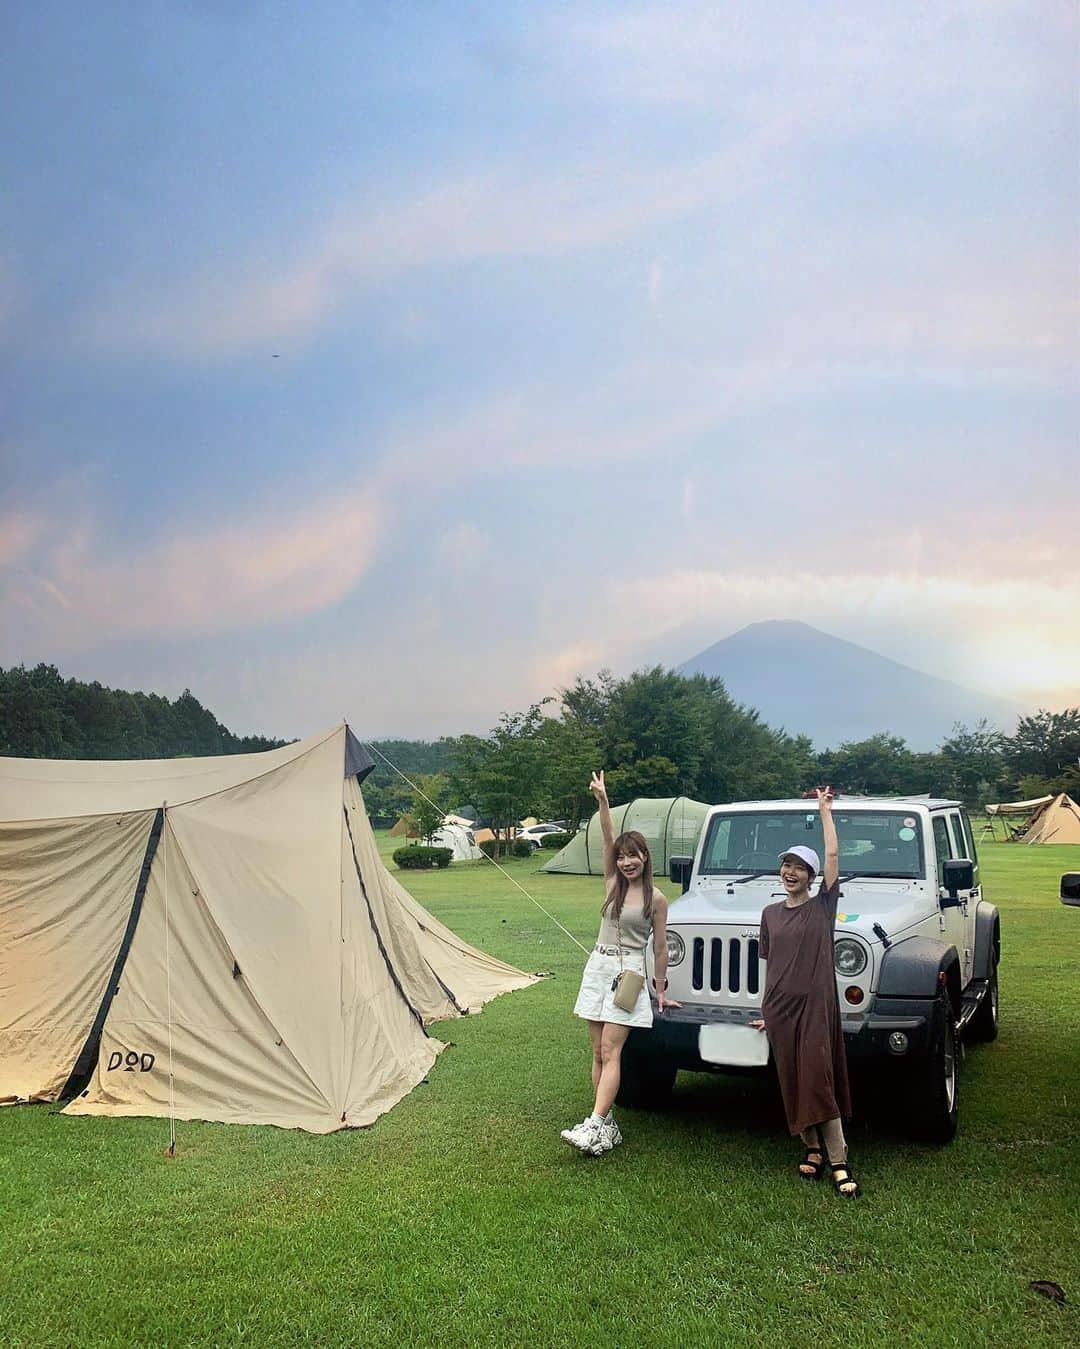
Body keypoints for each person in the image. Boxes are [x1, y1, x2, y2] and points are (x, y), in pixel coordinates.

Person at [561, 770, 679, 1155]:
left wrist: (660, 990)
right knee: (596, 1051)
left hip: (629, 975)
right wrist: (603, 801)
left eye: (635, 855)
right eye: (624, 857)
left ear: (647, 858)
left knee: (612, 1050)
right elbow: (608, 840)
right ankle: (607, 1126)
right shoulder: (612, 883)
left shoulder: (656, 899)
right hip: (599, 966)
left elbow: (660, 949)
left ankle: (593, 1124)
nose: (628, 861)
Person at [750, 786, 860, 1197]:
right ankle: (811, 1149)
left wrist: (824, 812)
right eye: (786, 866)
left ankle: (839, 1160)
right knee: (792, 1081)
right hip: (779, 1009)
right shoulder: (769, 914)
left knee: (818, 1079)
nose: (790, 872)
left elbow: (833, 857)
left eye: (798, 867)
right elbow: (773, 966)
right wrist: (768, 1012)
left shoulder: (822, 907)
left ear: (812, 877)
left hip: (816, 1008)